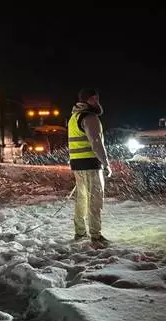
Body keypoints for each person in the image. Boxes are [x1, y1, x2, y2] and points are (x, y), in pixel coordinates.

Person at [67, 88, 111, 246]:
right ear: (85, 101)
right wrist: (106, 163)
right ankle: (96, 235)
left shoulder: (74, 117)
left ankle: (79, 232)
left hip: (78, 165)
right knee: (95, 200)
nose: (97, 102)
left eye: (98, 99)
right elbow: (96, 143)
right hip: (91, 164)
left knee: (82, 199)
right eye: (94, 99)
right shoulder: (90, 117)